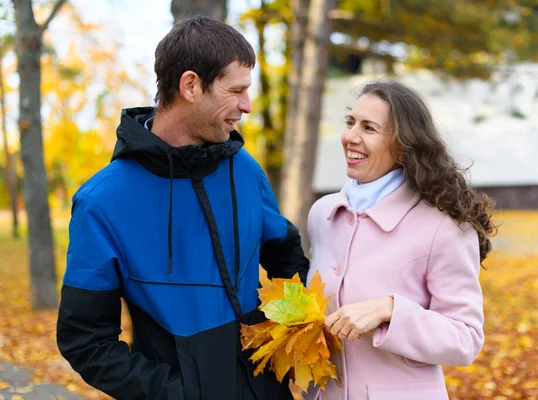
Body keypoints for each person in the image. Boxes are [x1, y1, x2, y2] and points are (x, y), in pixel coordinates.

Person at [57, 16, 308, 400]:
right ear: (191, 85)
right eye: (236, 90)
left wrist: (293, 341)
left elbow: (288, 259)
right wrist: (178, 393)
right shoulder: (102, 203)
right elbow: (86, 342)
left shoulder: (244, 170)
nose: (247, 105)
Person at [306, 81, 496, 400]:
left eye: (369, 128)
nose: (351, 136)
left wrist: (390, 309)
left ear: (403, 145)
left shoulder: (443, 227)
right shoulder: (323, 215)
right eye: (350, 122)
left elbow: (466, 339)